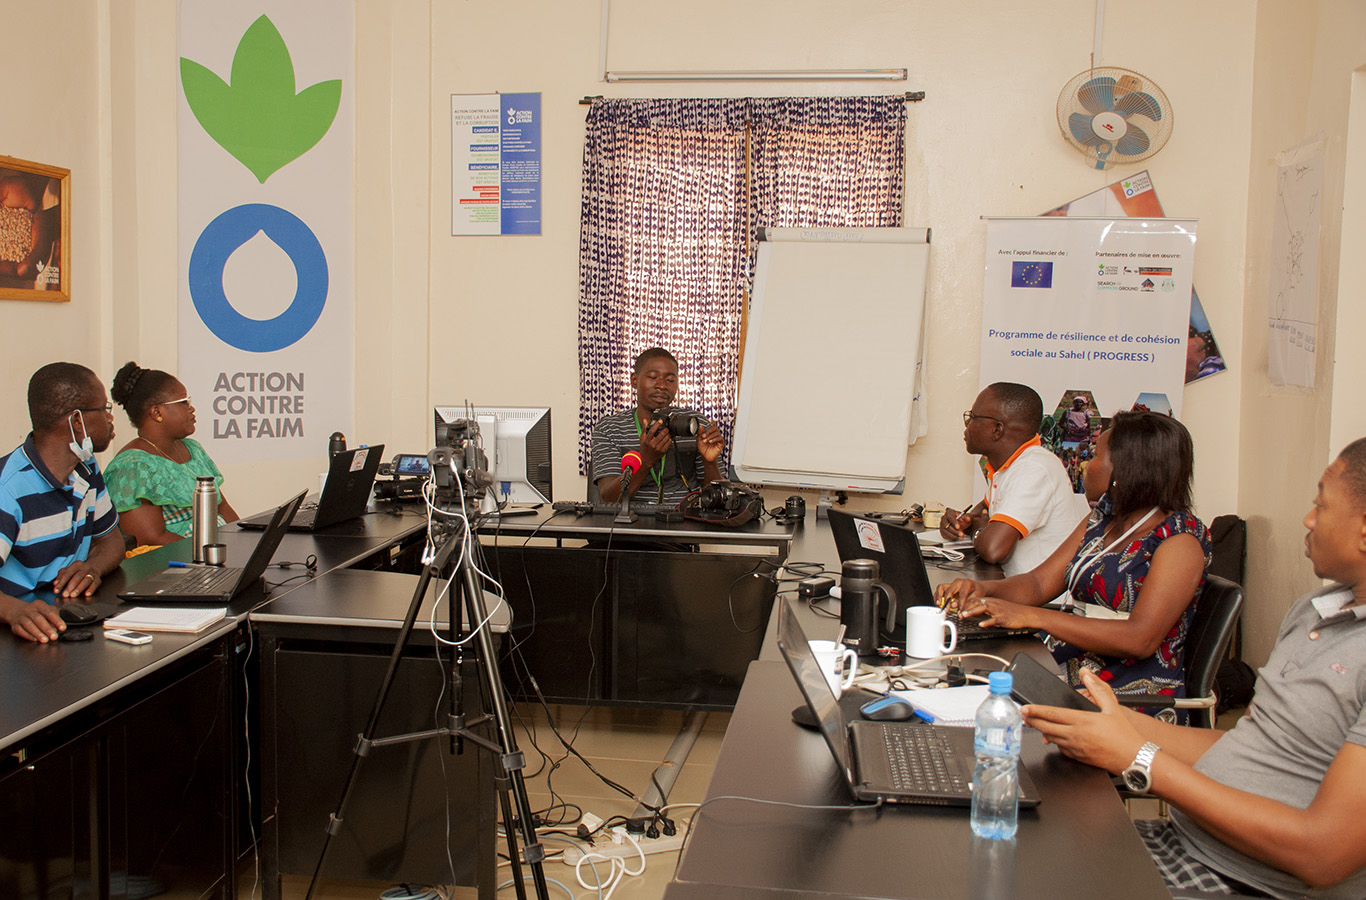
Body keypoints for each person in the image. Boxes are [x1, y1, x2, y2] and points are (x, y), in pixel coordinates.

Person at [1023, 440, 1366, 898]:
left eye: (1320, 505)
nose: (1308, 519)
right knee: (1015, 852)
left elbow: (1322, 855)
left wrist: (1138, 756)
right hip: (1186, 846)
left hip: (1248, 884)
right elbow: (1250, 748)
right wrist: (1118, 725)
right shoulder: (1314, 611)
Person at [939, 410, 1210, 714]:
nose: (1085, 465)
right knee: (959, 684)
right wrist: (981, 589)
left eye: (1095, 457)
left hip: (1121, 697)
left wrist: (1031, 616)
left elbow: (1140, 638)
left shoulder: (1180, 541)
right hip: (1069, 668)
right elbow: (1039, 583)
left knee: (980, 705)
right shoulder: (1103, 520)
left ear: (1125, 470)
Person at [0, 362, 125, 642]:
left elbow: (112, 541)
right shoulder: (8, 488)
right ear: (76, 421)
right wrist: (14, 611)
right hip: (19, 632)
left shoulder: (86, 466)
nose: (110, 418)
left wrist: (93, 566)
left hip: (65, 616)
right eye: (104, 408)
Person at [940, 383, 1088, 577]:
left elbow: (994, 549)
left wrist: (978, 530)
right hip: (1014, 589)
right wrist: (956, 524)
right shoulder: (1007, 466)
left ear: (997, 429)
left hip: (1044, 602)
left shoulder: (1034, 467)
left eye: (973, 417)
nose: (967, 425)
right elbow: (972, 518)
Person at [104, 361, 238, 546]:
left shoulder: (193, 450)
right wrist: (208, 555)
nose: (191, 408)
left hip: (219, 552)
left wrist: (242, 545)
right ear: (157, 412)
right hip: (181, 564)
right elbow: (151, 539)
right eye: (183, 402)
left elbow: (222, 507)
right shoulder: (132, 466)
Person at [590, 348, 724, 506]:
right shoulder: (609, 429)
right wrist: (646, 461)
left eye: (670, 380)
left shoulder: (695, 424)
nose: (662, 385)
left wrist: (710, 462)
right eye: (653, 377)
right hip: (633, 522)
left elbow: (718, 497)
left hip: (687, 519)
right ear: (634, 380)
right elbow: (609, 499)